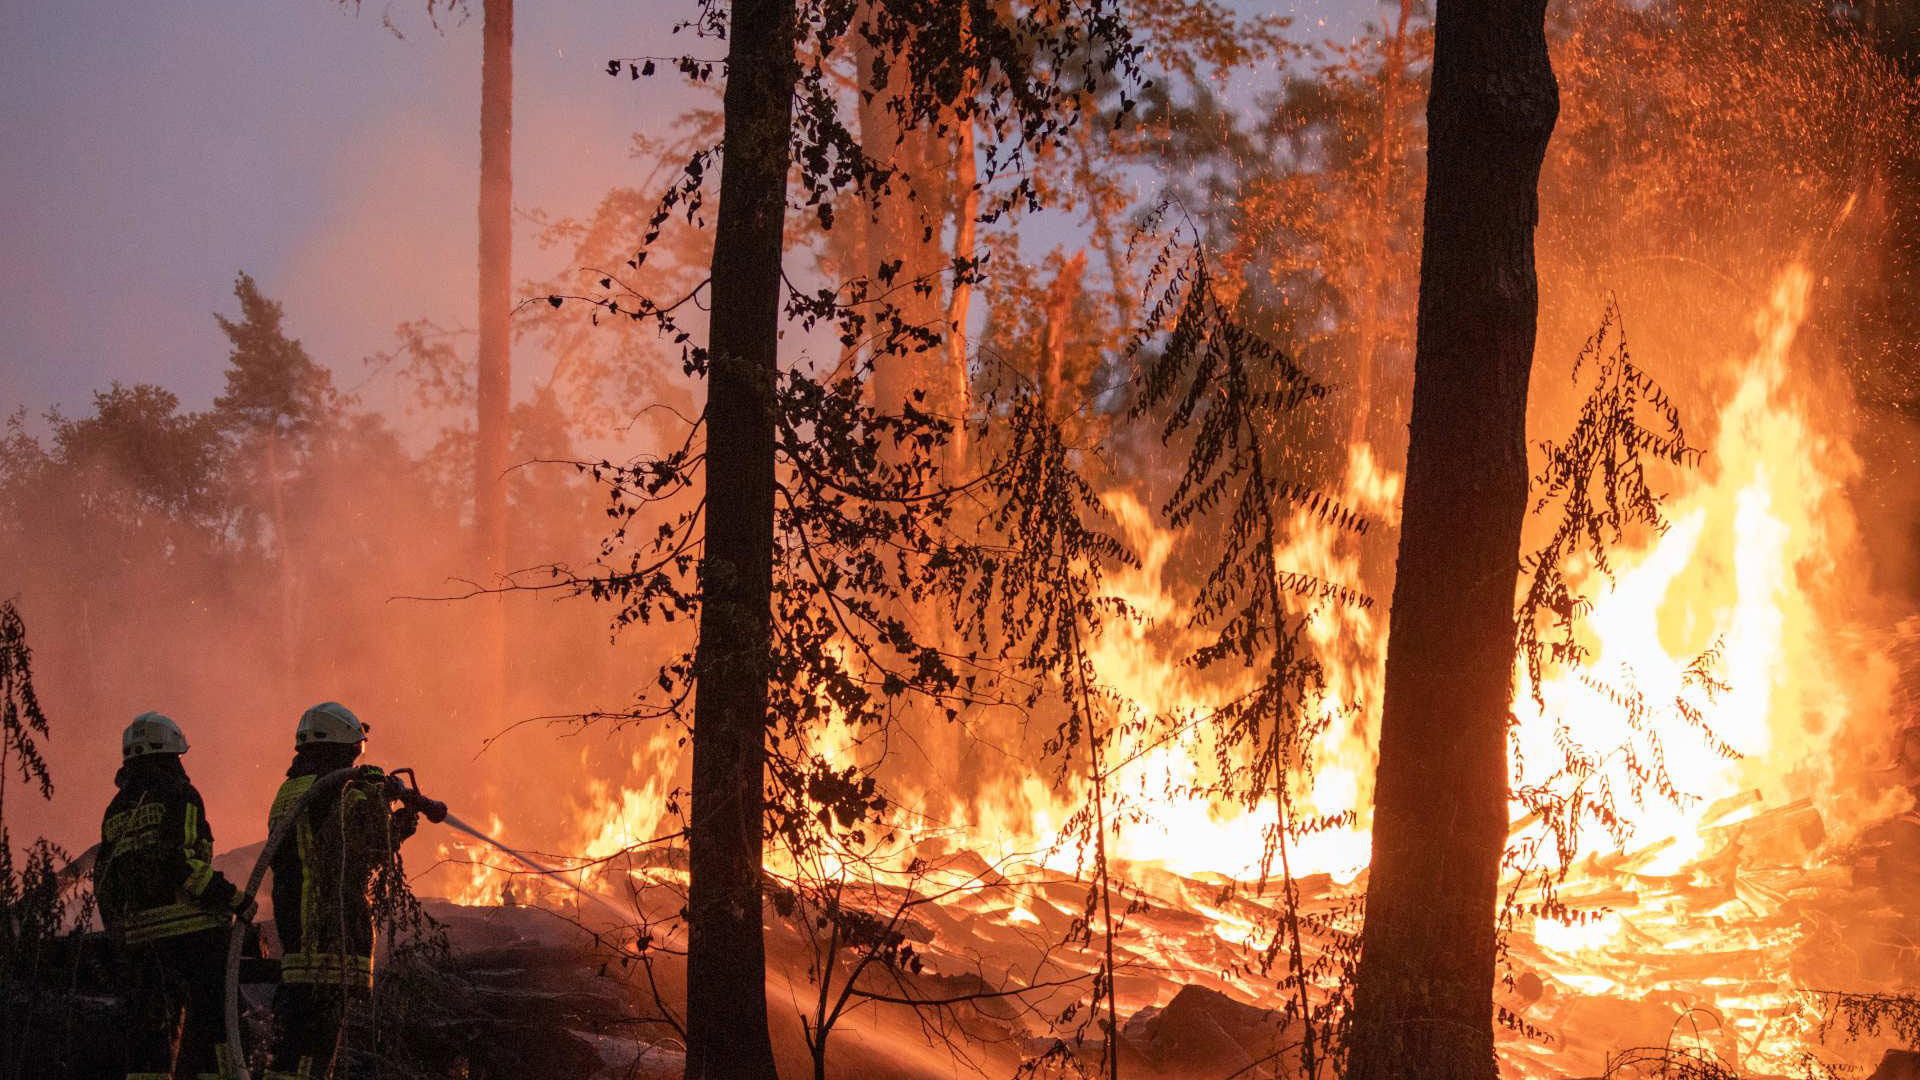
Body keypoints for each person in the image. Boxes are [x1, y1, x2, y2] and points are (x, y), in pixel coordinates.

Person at [94, 711, 252, 1080]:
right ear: (170, 752)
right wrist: (232, 898)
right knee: (217, 1028)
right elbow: (182, 862)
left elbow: (105, 876)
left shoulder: (116, 808)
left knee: (151, 1041)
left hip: (141, 942)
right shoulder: (179, 794)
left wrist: (120, 932)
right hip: (193, 936)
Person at [265, 702, 418, 1080]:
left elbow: (321, 845)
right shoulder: (342, 789)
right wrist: (398, 827)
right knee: (315, 1049)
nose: (356, 756)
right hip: (329, 927)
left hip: (296, 926)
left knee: (293, 1046)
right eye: (355, 749)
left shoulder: (291, 789)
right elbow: (362, 850)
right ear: (342, 744)